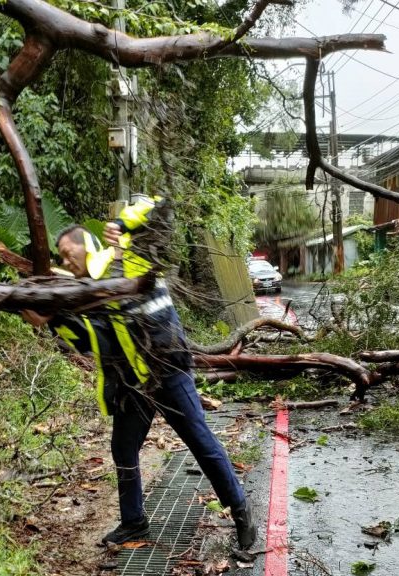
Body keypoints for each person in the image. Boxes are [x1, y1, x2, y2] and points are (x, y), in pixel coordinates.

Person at [25, 196, 256, 550]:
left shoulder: (131, 253)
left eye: (68, 254)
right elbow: (91, 342)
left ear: (88, 246)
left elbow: (158, 208)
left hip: (167, 367)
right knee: (123, 447)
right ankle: (134, 522)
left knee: (200, 441)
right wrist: (53, 319)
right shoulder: (85, 294)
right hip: (132, 381)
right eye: (61, 258)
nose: (65, 263)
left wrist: (125, 224)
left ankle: (241, 513)